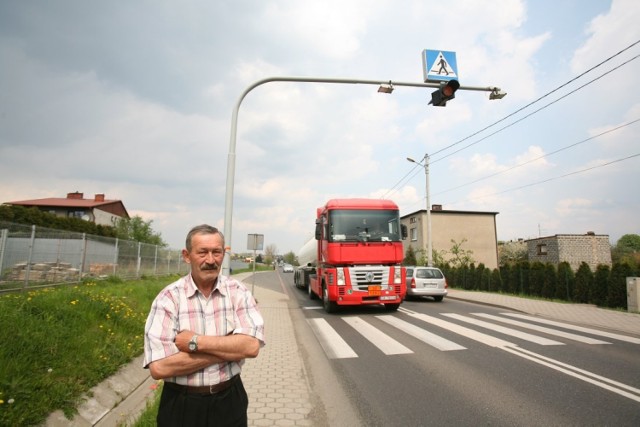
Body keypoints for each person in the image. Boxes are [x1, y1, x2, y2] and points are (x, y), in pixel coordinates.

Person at [143, 224, 265, 427]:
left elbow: (251, 347)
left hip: (229, 400)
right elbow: (159, 367)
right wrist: (230, 348)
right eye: (202, 252)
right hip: (181, 405)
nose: (210, 260)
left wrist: (194, 341)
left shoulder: (238, 292)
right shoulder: (168, 298)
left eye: (216, 252)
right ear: (187, 255)